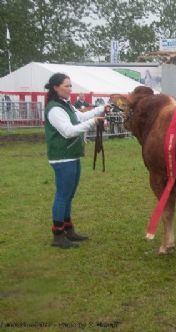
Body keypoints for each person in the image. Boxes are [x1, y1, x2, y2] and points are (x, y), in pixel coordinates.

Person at [44, 73, 109, 249]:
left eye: (71, 86)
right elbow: (68, 131)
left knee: (68, 195)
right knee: (63, 195)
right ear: (56, 87)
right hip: (62, 158)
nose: (70, 89)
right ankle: (58, 234)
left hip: (71, 156)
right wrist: (94, 122)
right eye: (67, 86)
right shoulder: (54, 109)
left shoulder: (66, 105)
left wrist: (101, 109)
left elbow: (79, 118)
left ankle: (68, 229)